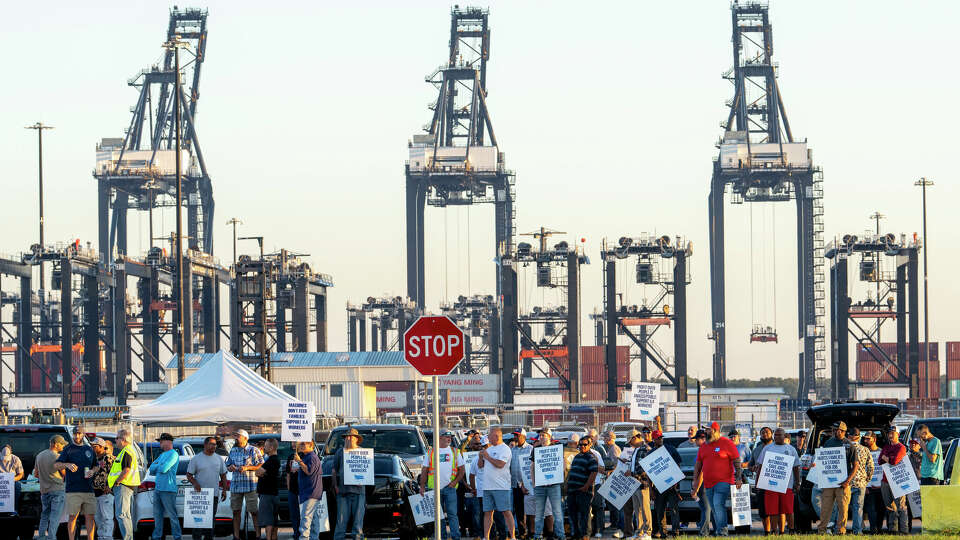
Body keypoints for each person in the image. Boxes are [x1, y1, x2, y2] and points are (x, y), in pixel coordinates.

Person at [691, 422, 741, 536]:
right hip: (708, 483)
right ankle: (719, 530)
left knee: (718, 504)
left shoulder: (726, 443)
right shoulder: (704, 446)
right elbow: (698, 465)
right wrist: (694, 481)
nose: (705, 432)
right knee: (714, 508)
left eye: (707, 430)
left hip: (724, 481)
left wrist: (738, 477)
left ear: (714, 430)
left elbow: (737, 461)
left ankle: (722, 531)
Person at [815, 421, 859, 535]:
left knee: (843, 509)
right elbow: (823, 461)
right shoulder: (828, 442)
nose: (834, 432)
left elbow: (855, 466)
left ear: (843, 431)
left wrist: (847, 481)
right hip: (828, 483)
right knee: (825, 508)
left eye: (836, 430)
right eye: (833, 430)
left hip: (843, 483)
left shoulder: (849, 445)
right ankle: (822, 530)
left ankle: (840, 530)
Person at [56, 425, 99, 540]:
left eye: (79, 433)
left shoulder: (89, 449)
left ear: (83, 434)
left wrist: (92, 471)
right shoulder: (68, 449)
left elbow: (96, 466)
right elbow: (56, 465)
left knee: (90, 517)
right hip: (73, 489)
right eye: (75, 434)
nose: (77, 436)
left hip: (88, 489)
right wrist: (67, 465)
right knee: (73, 517)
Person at [754, 428, 800, 535]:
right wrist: (758, 482)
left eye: (780, 435)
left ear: (785, 436)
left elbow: (796, 467)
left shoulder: (791, 449)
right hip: (771, 485)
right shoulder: (767, 449)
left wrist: (797, 483)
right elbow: (760, 466)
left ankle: (791, 530)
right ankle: (775, 531)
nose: (777, 437)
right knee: (772, 510)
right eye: (776, 435)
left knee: (788, 509)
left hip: (787, 486)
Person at [420, 431, 464, 540]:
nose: (449, 439)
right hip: (434, 489)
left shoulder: (455, 451)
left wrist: (455, 482)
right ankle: (442, 537)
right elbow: (424, 470)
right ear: (439, 438)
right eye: (447, 437)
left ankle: (456, 537)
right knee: (438, 516)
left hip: (450, 488)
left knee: (452, 514)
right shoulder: (430, 452)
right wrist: (422, 486)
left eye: (450, 437)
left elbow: (462, 470)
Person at [186, 437, 228, 540]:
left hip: (213, 495)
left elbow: (223, 475)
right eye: (211, 444)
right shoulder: (196, 458)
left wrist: (224, 490)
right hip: (199, 496)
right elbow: (189, 474)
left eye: (215, 444)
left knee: (210, 521)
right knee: (197, 522)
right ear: (205, 445)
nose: (214, 446)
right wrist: (195, 483)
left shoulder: (219, 459)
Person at [226, 429, 264, 540]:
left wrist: (247, 467)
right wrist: (230, 467)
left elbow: (261, 465)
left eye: (238, 436)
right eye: (235, 436)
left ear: (245, 438)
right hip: (236, 485)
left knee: (254, 511)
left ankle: (258, 535)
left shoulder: (253, 450)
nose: (236, 438)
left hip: (251, 485)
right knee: (236, 511)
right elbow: (227, 465)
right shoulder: (233, 450)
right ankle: (236, 536)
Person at [478, 427, 515, 540]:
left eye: (489, 435)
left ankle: (512, 536)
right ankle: (486, 537)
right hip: (487, 486)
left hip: (501, 487)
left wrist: (488, 457)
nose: (488, 437)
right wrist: (481, 457)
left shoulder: (505, 449)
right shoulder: (488, 449)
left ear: (497, 436)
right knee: (488, 512)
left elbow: (500, 464)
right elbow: (480, 466)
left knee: (505, 511)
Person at [529, 430, 564, 540]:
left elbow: (562, 465)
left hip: (554, 485)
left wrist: (558, 477)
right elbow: (532, 467)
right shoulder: (536, 449)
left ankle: (561, 535)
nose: (542, 437)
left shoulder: (556, 448)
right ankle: (537, 535)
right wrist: (534, 483)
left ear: (549, 437)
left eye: (544, 435)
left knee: (557, 512)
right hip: (540, 486)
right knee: (539, 512)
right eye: (540, 435)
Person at [332, 429, 365, 540]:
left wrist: (363, 480)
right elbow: (334, 470)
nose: (348, 438)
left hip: (359, 493)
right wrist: (335, 486)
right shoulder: (340, 452)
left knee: (358, 524)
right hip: (342, 492)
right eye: (347, 437)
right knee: (340, 523)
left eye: (351, 437)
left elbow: (366, 471)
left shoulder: (363, 452)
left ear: (356, 439)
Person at [148, 433, 182, 540]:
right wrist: (160, 466)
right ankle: (157, 537)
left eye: (161, 441)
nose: (160, 443)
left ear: (168, 441)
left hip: (168, 489)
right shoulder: (162, 455)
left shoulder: (173, 454)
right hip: (158, 489)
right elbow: (151, 469)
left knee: (172, 516)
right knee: (157, 516)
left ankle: (177, 537)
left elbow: (163, 469)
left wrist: (159, 466)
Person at [566, 436, 599, 540]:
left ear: (590, 445)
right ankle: (575, 534)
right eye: (580, 444)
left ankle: (585, 534)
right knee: (572, 514)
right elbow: (572, 471)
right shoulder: (577, 456)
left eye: (585, 444)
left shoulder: (591, 457)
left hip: (584, 491)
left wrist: (586, 486)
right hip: (572, 490)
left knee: (585, 514)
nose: (582, 446)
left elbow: (594, 473)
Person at [621, 430, 652, 540]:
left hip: (643, 483)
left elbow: (646, 468)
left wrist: (632, 473)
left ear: (635, 438)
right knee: (637, 509)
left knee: (645, 509)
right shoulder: (636, 450)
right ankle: (639, 532)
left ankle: (647, 532)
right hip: (635, 483)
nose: (629, 444)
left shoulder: (646, 449)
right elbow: (635, 465)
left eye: (630, 441)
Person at [650, 430, 682, 539]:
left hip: (672, 485)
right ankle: (663, 533)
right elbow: (649, 473)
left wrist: (676, 482)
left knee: (674, 509)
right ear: (653, 439)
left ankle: (675, 532)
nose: (660, 439)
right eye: (657, 438)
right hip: (658, 486)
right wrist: (651, 490)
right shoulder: (650, 453)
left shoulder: (670, 449)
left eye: (661, 438)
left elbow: (678, 465)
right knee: (660, 511)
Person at [109, 429, 140, 540]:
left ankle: (127, 538)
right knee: (125, 515)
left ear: (123, 439)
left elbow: (126, 470)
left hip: (123, 486)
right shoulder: (127, 451)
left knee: (122, 515)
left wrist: (117, 481)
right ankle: (128, 537)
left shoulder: (126, 451)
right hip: (126, 486)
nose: (115, 440)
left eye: (117, 438)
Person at [35, 434, 67, 540]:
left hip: (44, 490)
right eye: (62, 444)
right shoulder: (58, 457)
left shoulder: (39, 455)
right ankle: (52, 537)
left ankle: (41, 536)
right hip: (57, 489)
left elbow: (36, 474)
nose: (63, 447)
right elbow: (64, 474)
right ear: (56, 444)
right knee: (54, 517)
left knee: (45, 515)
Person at [878, 425, 908, 534]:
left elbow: (894, 461)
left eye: (893, 434)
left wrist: (887, 458)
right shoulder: (886, 447)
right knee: (890, 507)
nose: (890, 435)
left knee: (901, 507)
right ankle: (892, 530)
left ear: (898, 435)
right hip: (885, 481)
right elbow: (879, 461)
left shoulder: (901, 447)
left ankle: (904, 530)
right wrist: (888, 459)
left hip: (898, 481)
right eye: (889, 433)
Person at [293, 440, 324, 540]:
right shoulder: (307, 457)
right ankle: (314, 538)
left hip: (311, 492)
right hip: (310, 492)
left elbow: (309, 471)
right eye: (300, 443)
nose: (301, 445)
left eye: (303, 443)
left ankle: (304, 538)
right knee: (314, 520)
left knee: (306, 519)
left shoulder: (312, 457)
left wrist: (300, 462)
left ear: (311, 445)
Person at [845, 428, 873, 535]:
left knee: (843, 508)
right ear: (858, 437)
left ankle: (840, 529)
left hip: (846, 483)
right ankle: (857, 531)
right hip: (860, 483)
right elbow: (871, 467)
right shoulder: (865, 450)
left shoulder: (844, 448)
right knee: (858, 508)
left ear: (850, 436)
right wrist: (866, 480)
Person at [256, 439, 282, 540]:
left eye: (266, 446)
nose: (264, 448)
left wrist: (262, 473)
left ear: (271, 448)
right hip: (274, 493)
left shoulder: (271, 460)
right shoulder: (276, 460)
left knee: (268, 521)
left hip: (267, 494)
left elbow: (257, 472)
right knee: (274, 520)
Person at [860, 431, 886, 534]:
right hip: (868, 486)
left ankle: (879, 529)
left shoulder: (882, 452)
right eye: (865, 439)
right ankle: (873, 529)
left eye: (868, 439)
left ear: (874, 439)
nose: (865, 441)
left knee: (881, 509)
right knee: (871, 509)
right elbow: (862, 469)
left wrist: (883, 484)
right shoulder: (863, 452)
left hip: (881, 486)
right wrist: (865, 485)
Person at [750, 427, 774, 535]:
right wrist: (752, 467)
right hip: (761, 483)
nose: (765, 434)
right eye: (763, 433)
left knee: (775, 510)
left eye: (767, 432)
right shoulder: (757, 449)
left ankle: (777, 531)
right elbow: (751, 464)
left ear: (772, 434)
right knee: (764, 511)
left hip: (776, 484)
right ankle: (767, 532)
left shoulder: (778, 447)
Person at [600, 431, 623, 537]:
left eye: (605, 438)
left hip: (614, 479)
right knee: (611, 503)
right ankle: (614, 524)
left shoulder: (614, 449)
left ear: (609, 439)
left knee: (614, 503)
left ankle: (616, 524)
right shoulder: (611, 448)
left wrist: (608, 472)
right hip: (611, 478)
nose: (604, 440)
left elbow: (616, 464)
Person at [91, 439, 115, 540]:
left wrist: (110, 487)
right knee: (98, 517)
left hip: (105, 493)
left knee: (107, 517)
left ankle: (108, 537)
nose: (93, 447)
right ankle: (101, 536)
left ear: (101, 446)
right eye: (92, 445)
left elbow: (114, 473)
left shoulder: (108, 458)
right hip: (95, 492)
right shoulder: (94, 458)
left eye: (95, 446)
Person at [509, 431, 531, 539]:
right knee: (518, 510)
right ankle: (522, 532)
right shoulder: (512, 450)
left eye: (517, 435)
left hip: (528, 485)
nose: (515, 437)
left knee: (529, 509)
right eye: (514, 435)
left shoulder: (530, 449)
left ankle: (531, 531)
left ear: (523, 436)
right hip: (515, 484)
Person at [464, 437, 486, 540]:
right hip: (473, 489)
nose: (478, 446)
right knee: (476, 513)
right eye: (476, 444)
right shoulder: (466, 455)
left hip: (487, 489)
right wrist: (471, 488)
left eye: (480, 444)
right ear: (471, 445)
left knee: (487, 514)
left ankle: (487, 534)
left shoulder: (488, 456)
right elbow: (468, 475)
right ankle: (477, 533)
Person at [586, 435, 606, 538]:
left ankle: (598, 530)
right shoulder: (578, 453)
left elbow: (603, 470)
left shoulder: (596, 453)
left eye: (588, 443)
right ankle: (587, 531)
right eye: (583, 443)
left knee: (597, 507)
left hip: (596, 483)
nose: (585, 446)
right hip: (583, 485)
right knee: (585, 508)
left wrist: (595, 464)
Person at [286, 443, 302, 539]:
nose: (293, 443)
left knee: (303, 514)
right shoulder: (290, 457)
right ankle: (296, 533)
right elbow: (288, 473)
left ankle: (303, 534)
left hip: (303, 489)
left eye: (295, 441)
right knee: (294, 514)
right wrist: (289, 487)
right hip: (293, 490)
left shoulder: (305, 456)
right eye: (292, 441)